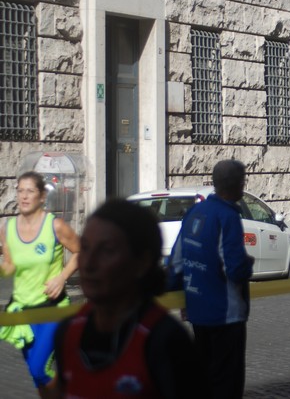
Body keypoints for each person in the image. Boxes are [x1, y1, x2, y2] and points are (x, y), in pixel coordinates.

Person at [52, 198, 197, 398]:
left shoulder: (166, 340)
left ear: (142, 262)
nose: (89, 263)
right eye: (85, 247)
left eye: (107, 250)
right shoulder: (67, 332)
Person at [168, 159, 254, 399]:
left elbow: (175, 264)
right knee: (226, 385)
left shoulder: (195, 212)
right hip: (226, 316)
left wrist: (181, 296)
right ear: (238, 184)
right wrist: (248, 265)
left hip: (198, 314)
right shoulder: (228, 217)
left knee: (204, 382)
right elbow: (235, 269)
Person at [0, 171, 80, 398]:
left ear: (42, 196)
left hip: (51, 310)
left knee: (39, 369)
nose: (24, 196)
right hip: (22, 313)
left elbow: (80, 251)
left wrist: (62, 276)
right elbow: (10, 266)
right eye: (20, 190)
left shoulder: (55, 226)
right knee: (36, 376)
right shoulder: (7, 229)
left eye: (30, 191)